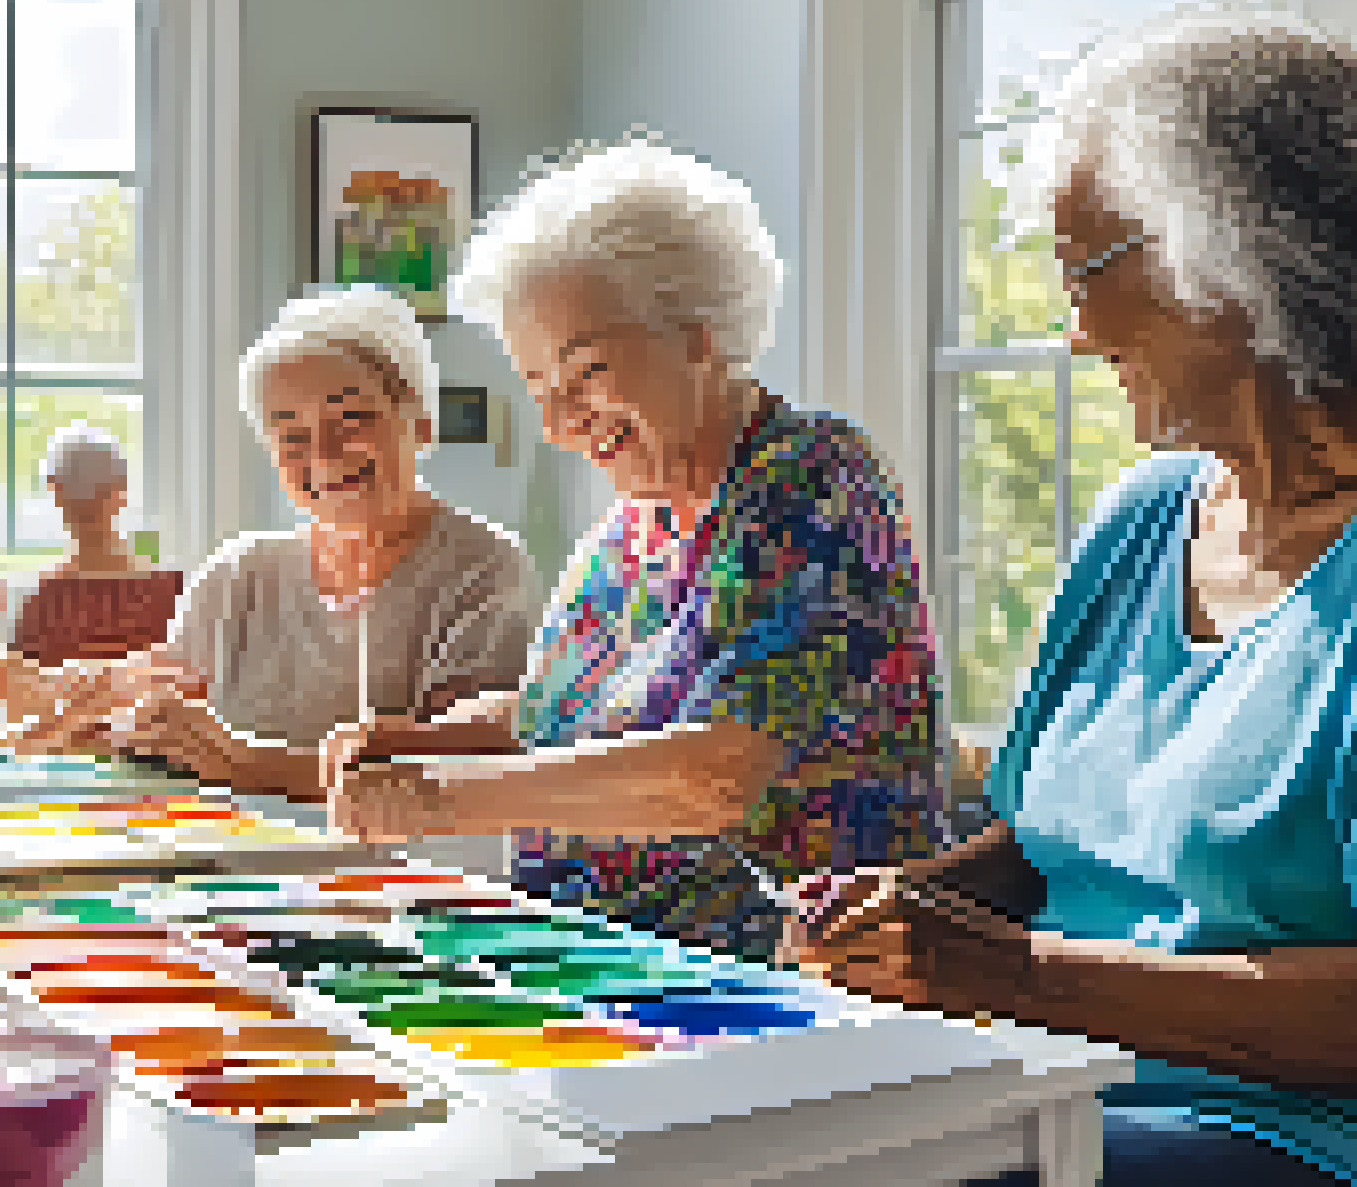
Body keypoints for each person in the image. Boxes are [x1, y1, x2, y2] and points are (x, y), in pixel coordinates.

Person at [782, 14, 1357, 1187]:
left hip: (1336, 1144)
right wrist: (906, 908)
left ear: (1231, 261)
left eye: (1084, 273)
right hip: (1058, 1085)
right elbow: (1041, 853)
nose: (1073, 334)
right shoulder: (1145, 514)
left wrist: (1014, 979)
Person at [322, 137, 943, 958]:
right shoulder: (630, 529)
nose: (557, 424)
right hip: (597, 970)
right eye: (540, 389)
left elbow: (712, 773)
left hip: (776, 987)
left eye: (586, 373)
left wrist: (437, 795)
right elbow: (577, 719)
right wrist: (426, 740)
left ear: (698, 335)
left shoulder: (811, 482)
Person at [0, 285, 542, 803]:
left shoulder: (485, 570)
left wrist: (240, 760)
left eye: (351, 419)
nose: (323, 456)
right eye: (291, 436)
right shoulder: (236, 575)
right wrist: (99, 726)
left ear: (422, 423)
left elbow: (460, 775)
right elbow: (166, 732)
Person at [0, 424, 183, 667]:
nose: (88, 499)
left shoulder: (40, 601)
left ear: (56, 493)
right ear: (120, 491)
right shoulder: (171, 593)